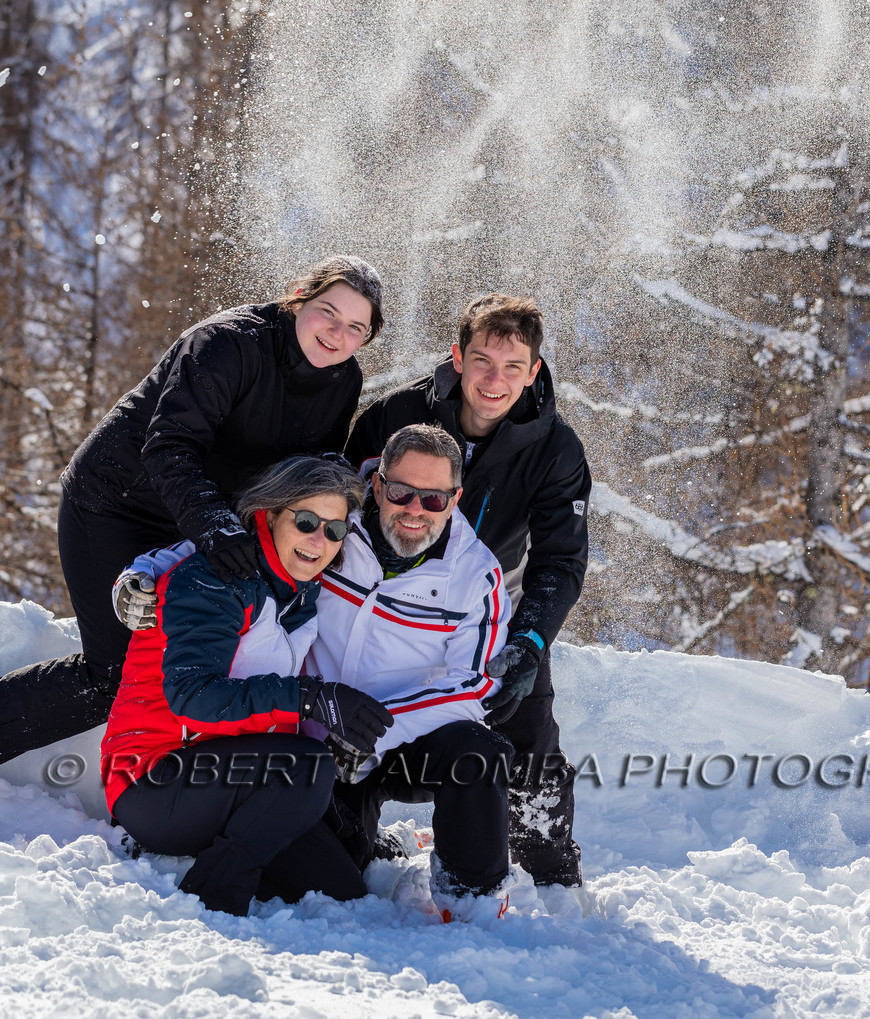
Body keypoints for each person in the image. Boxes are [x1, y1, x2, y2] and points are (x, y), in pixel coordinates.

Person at [0, 256, 385, 774]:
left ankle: (178, 791)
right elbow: (171, 447)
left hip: (202, 519)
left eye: (355, 327)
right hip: (116, 502)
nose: (337, 334)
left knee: (193, 662)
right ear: (297, 299)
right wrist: (216, 528)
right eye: (327, 312)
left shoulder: (342, 382)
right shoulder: (227, 344)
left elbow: (308, 476)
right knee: (114, 673)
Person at [118, 426, 516, 908]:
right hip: (243, 759)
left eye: (432, 499)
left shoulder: (471, 575)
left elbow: (473, 686)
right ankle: (214, 892)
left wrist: (368, 727)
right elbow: (222, 552)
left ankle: (474, 900)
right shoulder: (314, 542)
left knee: (352, 879)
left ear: (454, 500)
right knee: (318, 816)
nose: (415, 509)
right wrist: (145, 569)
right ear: (378, 486)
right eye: (402, 492)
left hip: (366, 741)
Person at [344, 294, 591, 889]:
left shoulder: (556, 449)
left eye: (512, 367)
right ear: (458, 357)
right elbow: (341, 504)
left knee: (526, 740)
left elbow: (561, 561)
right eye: (482, 360)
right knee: (356, 730)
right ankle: (357, 840)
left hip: (491, 613)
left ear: (534, 371)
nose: (494, 380)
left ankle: (552, 874)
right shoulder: (396, 415)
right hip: (386, 606)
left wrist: (528, 642)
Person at [101, 455, 393, 916]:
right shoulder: (215, 579)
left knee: (342, 890)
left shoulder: (299, 593)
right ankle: (211, 895)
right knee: (305, 766)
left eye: (335, 530)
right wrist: (310, 699)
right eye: (306, 522)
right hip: (153, 781)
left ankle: (234, 856)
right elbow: (193, 698)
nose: (320, 541)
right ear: (270, 514)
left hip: (229, 782)